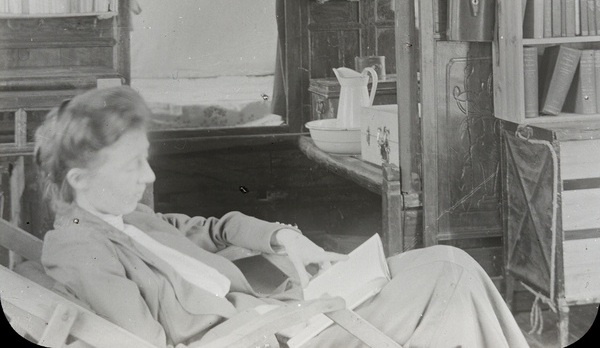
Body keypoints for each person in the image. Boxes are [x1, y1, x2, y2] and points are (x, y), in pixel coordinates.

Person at [35, 85, 529, 348]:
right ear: (79, 179)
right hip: (271, 337)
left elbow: (216, 229)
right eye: (131, 165)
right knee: (448, 284)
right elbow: (147, 345)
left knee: (449, 257)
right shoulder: (78, 248)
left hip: (282, 313)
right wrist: (280, 318)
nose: (148, 176)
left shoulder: (131, 218)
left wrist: (284, 239)